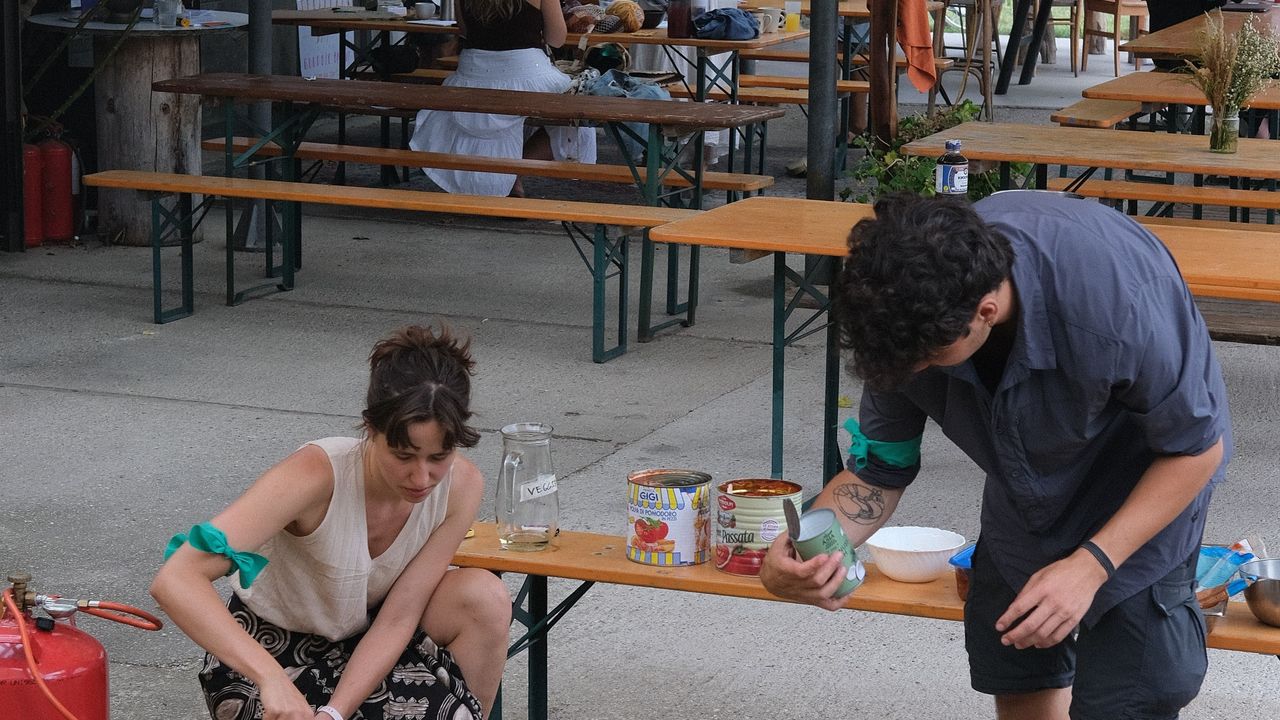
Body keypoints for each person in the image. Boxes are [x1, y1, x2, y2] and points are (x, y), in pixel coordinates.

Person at [760, 192, 1231, 720]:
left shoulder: (1114, 304)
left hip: (1147, 476)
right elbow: (877, 473)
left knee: (1133, 690)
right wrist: (811, 554)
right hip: (1025, 489)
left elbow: (1195, 450)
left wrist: (1092, 564)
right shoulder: (900, 320)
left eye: (927, 361)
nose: (910, 373)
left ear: (986, 312)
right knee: (1017, 655)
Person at [151, 325, 510, 720]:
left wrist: (335, 714)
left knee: (484, 595)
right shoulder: (314, 475)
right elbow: (176, 578)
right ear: (371, 428)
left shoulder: (462, 485)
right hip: (271, 645)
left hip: (372, 638)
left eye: (438, 458)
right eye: (404, 456)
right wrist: (271, 680)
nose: (422, 478)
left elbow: (400, 616)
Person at [410, 0, 597, 198]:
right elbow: (557, 39)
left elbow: (464, 31)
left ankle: (502, 175)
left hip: (474, 75)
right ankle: (515, 171)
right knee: (576, 121)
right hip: (527, 72)